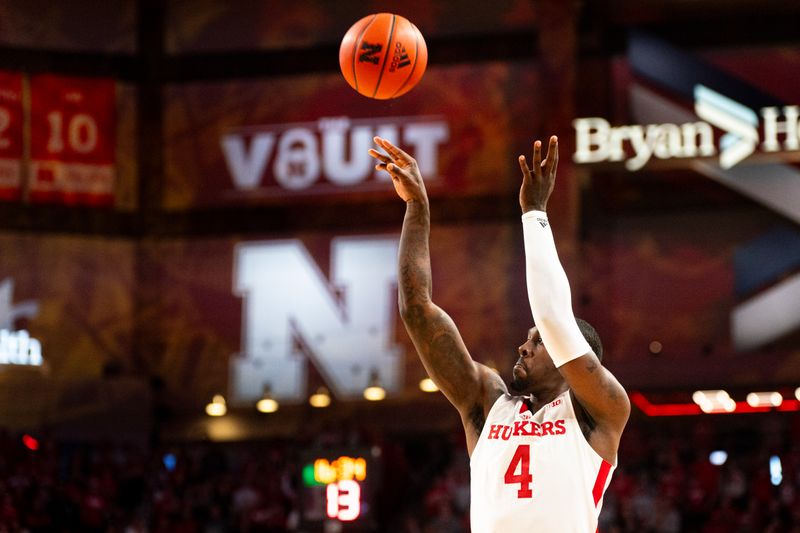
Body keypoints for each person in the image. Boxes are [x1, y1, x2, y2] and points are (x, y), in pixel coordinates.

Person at [369, 135, 630, 532]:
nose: (523, 347)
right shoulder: (489, 405)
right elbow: (417, 310)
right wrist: (416, 208)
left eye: (537, 341)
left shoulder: (599, 412)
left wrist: (534, 213)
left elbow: (555, 319)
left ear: (572, 358)